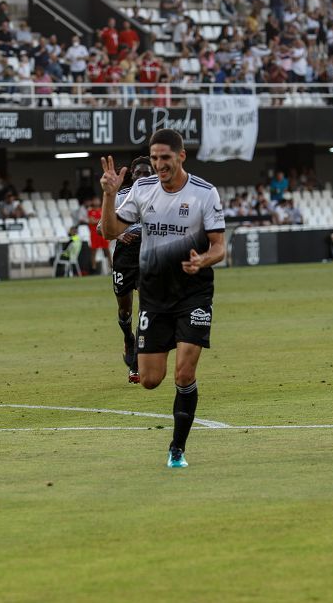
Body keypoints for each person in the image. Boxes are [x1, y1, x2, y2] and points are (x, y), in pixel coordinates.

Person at [99, 129, 226, 469]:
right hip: (155, 296)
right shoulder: (142, 189)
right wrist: (109, 195)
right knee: (150, 380)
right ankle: (158, 343)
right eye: (154, 159)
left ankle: (177, 449)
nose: (158, 165)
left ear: (181, 156)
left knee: (184, 374)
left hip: (193, 293)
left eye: (165, 158)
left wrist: (204, 259)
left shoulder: (204, 193)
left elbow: (219, 246)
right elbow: (108, 231)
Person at [109, 156, 153, 384]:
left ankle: (136, 364)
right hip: (125, 255)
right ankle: (128, 337)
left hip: (148, 252)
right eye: (139, 173)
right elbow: (101, 226)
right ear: (132, 176)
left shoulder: (161, 196)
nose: (143, 177)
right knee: (124, 310)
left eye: (148, 173)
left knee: (145, 310)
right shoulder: (121, 197)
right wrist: (119, 234)